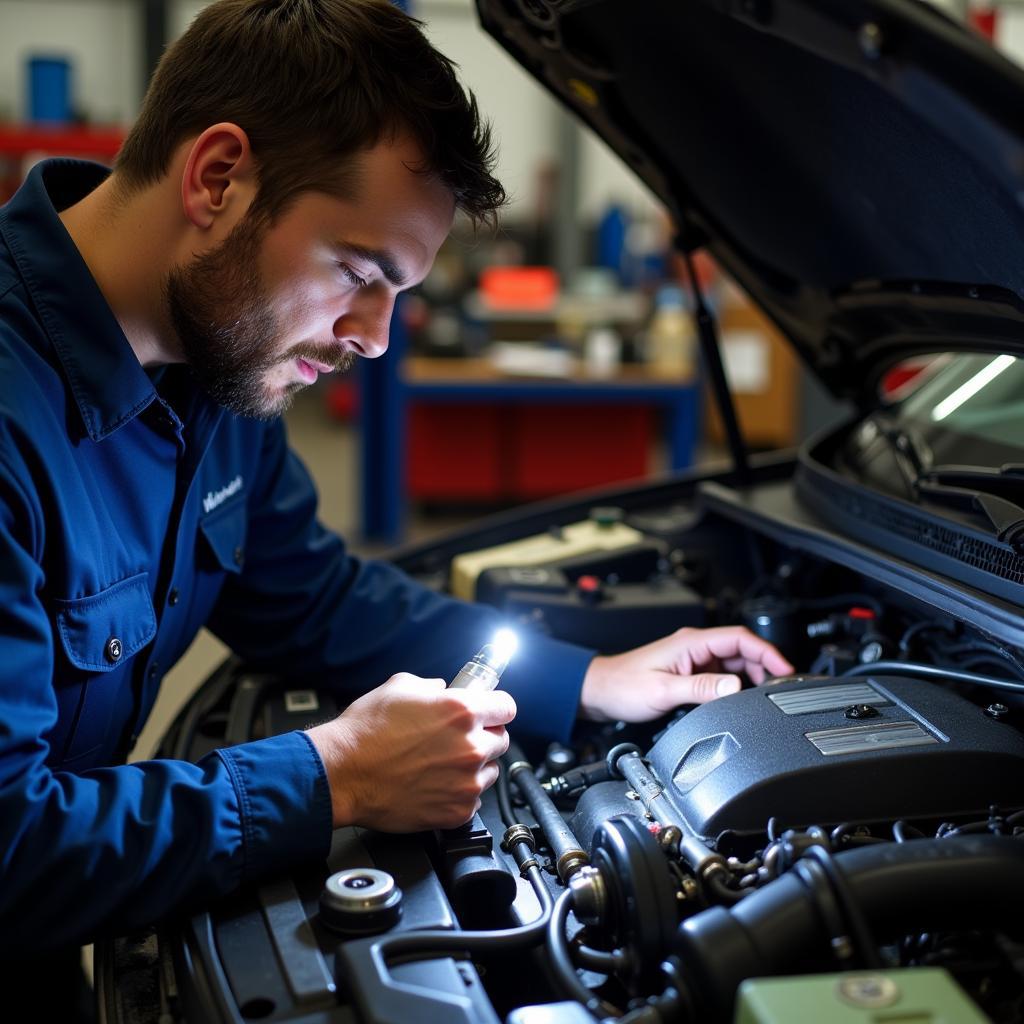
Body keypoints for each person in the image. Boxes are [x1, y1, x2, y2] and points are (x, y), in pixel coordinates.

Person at [0, 0, 793, 1006]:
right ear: (217, 176)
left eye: (399, 292)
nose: (374, 337)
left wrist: (587, 678)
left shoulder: (220, 367)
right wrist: (332, 774)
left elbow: (315, 598)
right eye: (359, 271)